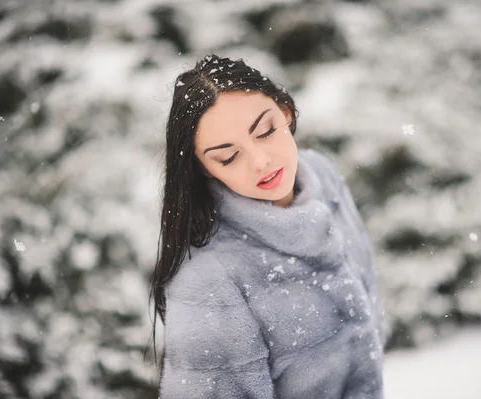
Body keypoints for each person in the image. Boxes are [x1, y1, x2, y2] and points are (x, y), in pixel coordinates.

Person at [149, 53, 385, 398]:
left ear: (285, 111)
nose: (261, 162)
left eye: (265, 131)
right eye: (228, 157)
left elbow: (369, 299)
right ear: (203, 168)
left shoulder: (322, 177)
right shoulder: (209, 282)